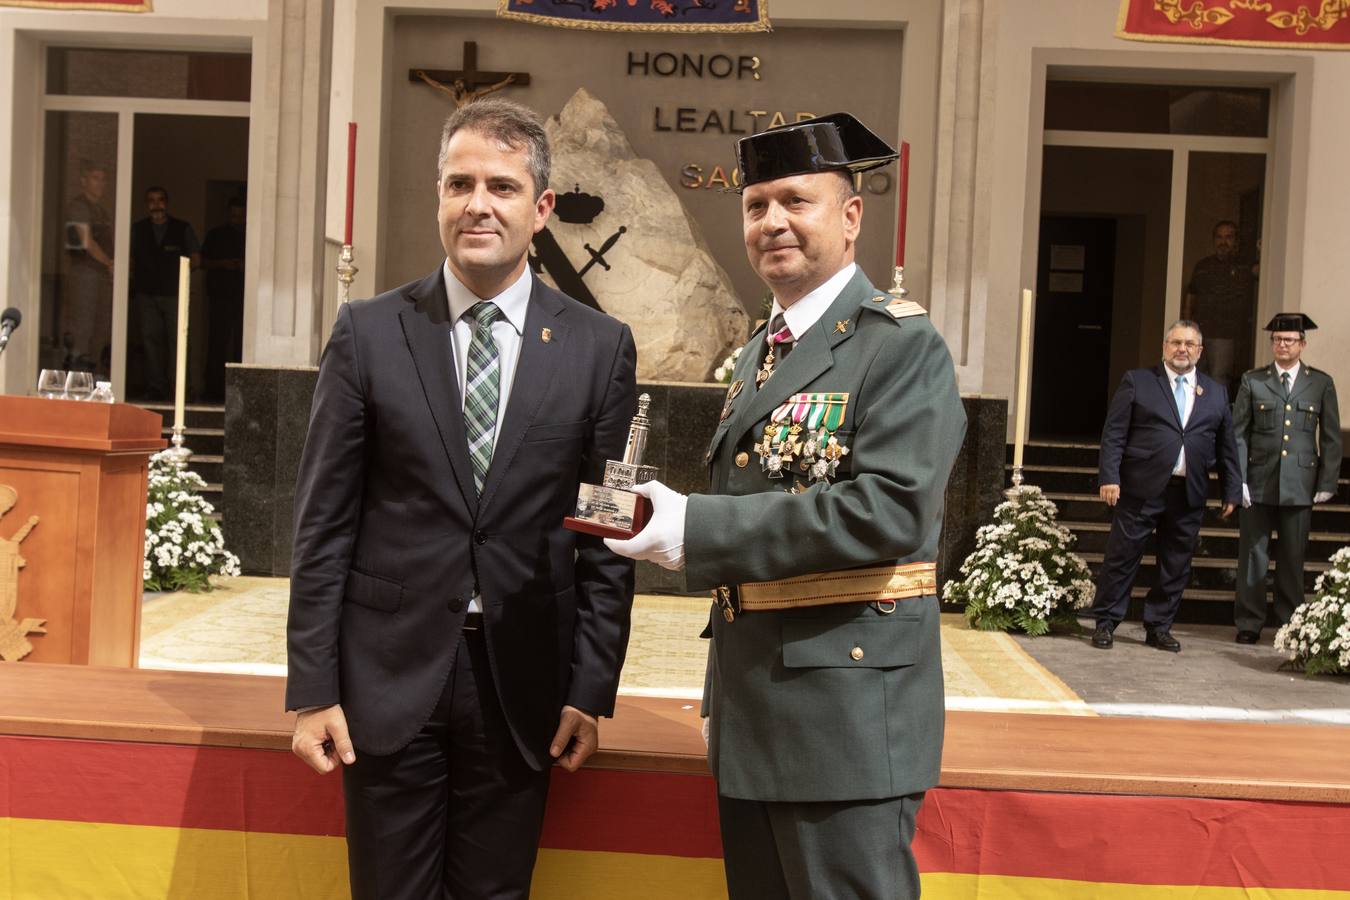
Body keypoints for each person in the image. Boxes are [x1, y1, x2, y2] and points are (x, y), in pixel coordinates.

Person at [607, 113, 966, 900]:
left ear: (851, 215)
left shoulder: (899, 346)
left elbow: (889, 512)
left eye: (796, 201)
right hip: (756, 706)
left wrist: (691, 527)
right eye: (756, 204)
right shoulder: (762, 351)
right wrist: (718, 697)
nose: (772, 221)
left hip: (845, 714)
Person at [286, 98, 636, 900]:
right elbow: (322, 525)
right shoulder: (368, 333)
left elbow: (606, 533)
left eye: (503, 187)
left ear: (541, 208)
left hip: (523, 687)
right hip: (386, 677)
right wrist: (312, 690)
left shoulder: (598, 347)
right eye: (459, 184)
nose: (478, 204)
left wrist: (591, 689)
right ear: (439, 196)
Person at [1089, 320, 1241, 652]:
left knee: (1175, 563)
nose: (1182, 349)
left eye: (1189, 344)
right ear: (1164, 347)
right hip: (1140, 488)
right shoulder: (1138, 381)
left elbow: (1227, 446)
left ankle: (1159, 626)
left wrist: (1232, 488)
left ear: (1200, 351)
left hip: (1188, 492)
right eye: (1176, 343)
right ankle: (1106, 621)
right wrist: (1109, 477)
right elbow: (1114, 433)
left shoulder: (1215, 392)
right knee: (1122, 557)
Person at [1231, 313, 1342, 643]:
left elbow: (1332, 437)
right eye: (1278, 340)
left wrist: (1327, 482)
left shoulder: (1320, 382)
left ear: (1302, 344)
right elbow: (1238, 434)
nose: (1282, 345)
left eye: (1290, 340)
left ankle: (1290, 623)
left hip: (1300, 483)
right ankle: (1249, 623)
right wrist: (1239, 481)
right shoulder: (1253, 380)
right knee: (1253, 555)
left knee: (1293, 557)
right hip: (1259, 480)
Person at [129, 186, 200, 400]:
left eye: (160, 200)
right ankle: (155, 387)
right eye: (151, 200)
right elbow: (129, 259)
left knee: (179, 340)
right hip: (146, 294)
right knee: (151, 340)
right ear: (146, 204)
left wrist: (183, 273)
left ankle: (181, 389)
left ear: (167, 203)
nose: (156, 204)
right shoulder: (137, 229)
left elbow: (196, 258)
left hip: (174, 294)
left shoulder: (182, 228)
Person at [1182, 220, 1258, 397]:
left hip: (1226, 335)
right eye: (1219, 237)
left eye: (1229, 237)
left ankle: (1215, 419)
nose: (1223, 242)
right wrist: (1186, 329)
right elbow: (1191, 295)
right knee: (1193, 378)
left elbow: (1266, 270)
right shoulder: (1203, 266)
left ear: (1237, 241)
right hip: (1198, 333)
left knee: (1218, 380)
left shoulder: (1245, 265)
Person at [61, 160, 115, 372]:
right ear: (83, 180)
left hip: (101, 273)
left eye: (103, 179)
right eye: (95, 178)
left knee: (100, 327)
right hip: (84, 272)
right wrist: (109, 263)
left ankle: (92, 372)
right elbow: (86, 241)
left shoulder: (101, 211)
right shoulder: (78, 206)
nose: (101, 184)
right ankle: (76, 374)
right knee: (82, 326)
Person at [201, 197, 247, 401]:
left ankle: (239, 393)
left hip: (244, 297)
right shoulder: (216, 235)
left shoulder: (251, 234)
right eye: (233, 215)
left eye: (240, 215)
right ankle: (213, 390)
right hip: (220, 295)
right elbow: (202, 261)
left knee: (241, 344)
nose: (236, 219)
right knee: (217, 343)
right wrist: (224, 264)